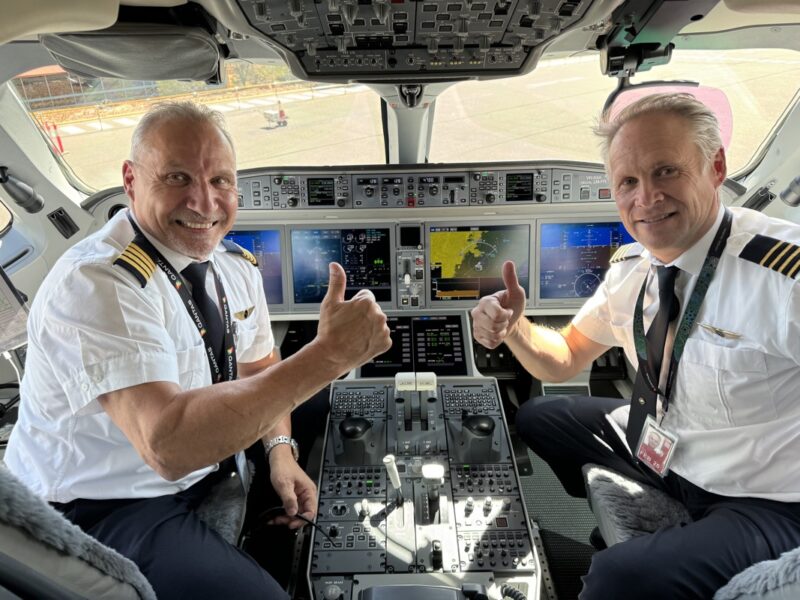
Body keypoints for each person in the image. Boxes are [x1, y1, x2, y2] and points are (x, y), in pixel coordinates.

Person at [3, 101, 392, 599]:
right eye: (177, 177)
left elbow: (258, 366)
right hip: (107, 500)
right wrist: (328, 357)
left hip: (205, 458)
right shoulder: (98, 283)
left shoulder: (234, 264)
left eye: (221, 181)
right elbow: (168, 447)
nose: (205, 203)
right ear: (130, 180)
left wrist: (279, 452)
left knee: (355, 403)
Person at [471, 93, 800, 599]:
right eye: (628, 181)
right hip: (670, 449)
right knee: (540, 417)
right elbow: (563, 359)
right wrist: (516, 327)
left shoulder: (782, 277)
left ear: (715, 168)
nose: (646, 198)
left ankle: (653, 553)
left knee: (618, 579)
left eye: (666, 171)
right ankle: (651, 528)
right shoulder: (634, 267)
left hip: (766, 499)